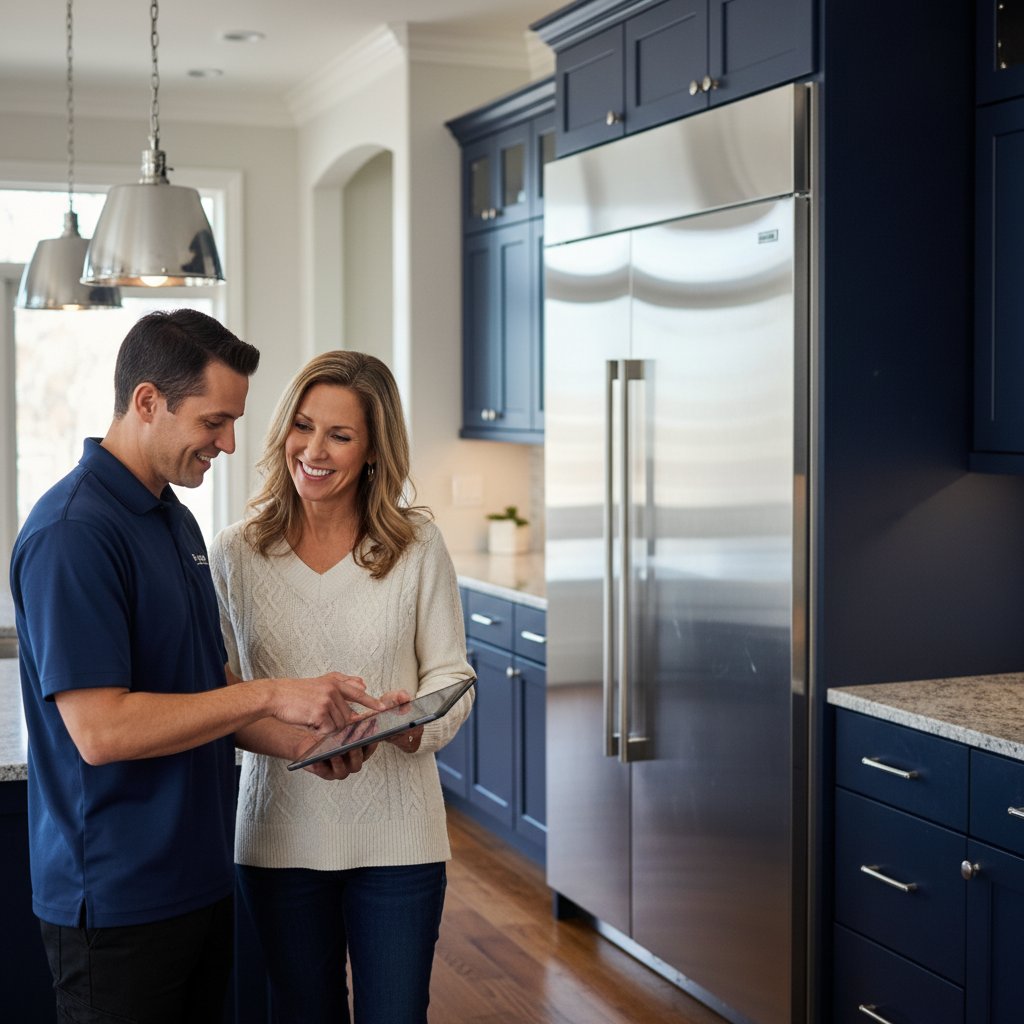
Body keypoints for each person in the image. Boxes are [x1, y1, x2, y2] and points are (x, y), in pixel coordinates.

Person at [9, 310, 386, 1024]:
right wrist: (276, 691)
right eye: (214, 421)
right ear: (148, 402)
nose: (230, 442)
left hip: (198, 883)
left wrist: (305, 741)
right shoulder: (73, 534)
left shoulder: (173, 519)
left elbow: (205, 694)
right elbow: (103, 731)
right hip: (116, 905)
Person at [209, 350, 475, 1024]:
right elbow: (223, 693)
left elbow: (453, 676)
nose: (314, 450)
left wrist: (414, 723)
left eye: (340, 434)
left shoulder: (417, 547)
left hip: (399, 840)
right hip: (276, 839)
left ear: (374, 451)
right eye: (303, 426)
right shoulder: (235, 553)